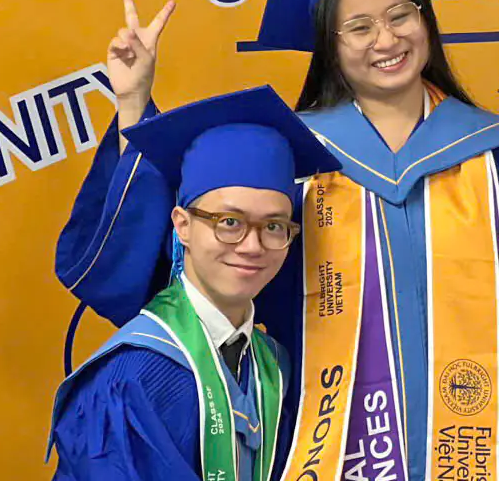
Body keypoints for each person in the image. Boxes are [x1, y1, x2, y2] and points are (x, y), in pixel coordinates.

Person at [55, 0, 499, 481]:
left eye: (400, 15)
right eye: (359, 27)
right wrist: (133, 104)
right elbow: (182, 272)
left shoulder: (497, 157)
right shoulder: (293, 163)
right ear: (330, 44)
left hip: (487, 452)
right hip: (327, 449)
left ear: (425, 18)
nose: (386, 39)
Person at [49, 85, 341, 481]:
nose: (252, 246)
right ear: (182, 226)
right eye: (229, 222)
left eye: (274, 226)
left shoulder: (275, 366)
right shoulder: (130, 377)